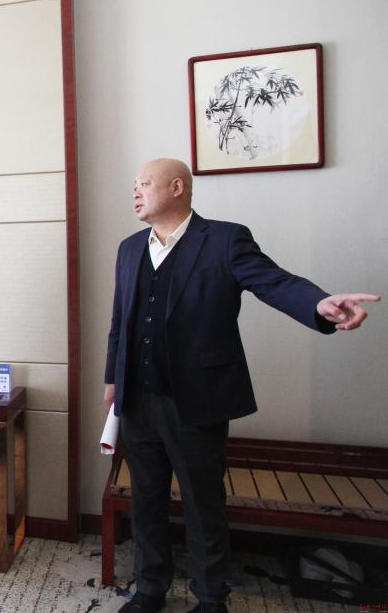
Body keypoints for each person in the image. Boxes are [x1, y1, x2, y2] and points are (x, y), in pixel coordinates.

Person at [104, 158, 380, 613]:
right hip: (138, 398)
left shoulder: (225, 239)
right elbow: (121, 319)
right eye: (134, 184)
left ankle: (212, 599)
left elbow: (274, 282)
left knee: (203, 505)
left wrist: (318, 304)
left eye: (145, 184)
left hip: (198, 400)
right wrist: (113, 379)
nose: (135, 192)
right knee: (146, 502)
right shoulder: (129, 248)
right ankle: (150, 590)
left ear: (177, 187)